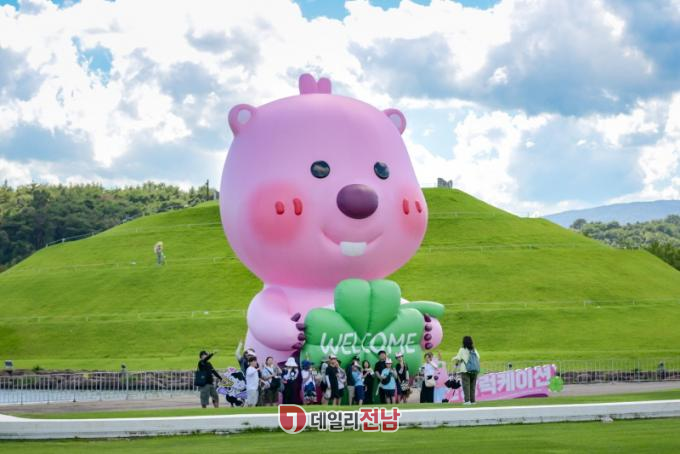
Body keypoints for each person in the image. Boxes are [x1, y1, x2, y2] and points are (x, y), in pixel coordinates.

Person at [453, 336, 480, 405]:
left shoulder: (462, 349)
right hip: (474, 369)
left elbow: (458, 358)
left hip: (465, 369)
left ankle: (467, 401)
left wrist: (455, 366)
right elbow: (478, 357)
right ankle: (473, 401)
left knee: (466, 386)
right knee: (472, 386)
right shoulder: (474, 349)